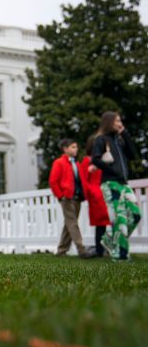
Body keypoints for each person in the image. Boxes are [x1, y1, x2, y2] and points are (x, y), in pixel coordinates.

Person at [91, 112, 141, 261]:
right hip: (110, 183)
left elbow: (133, 155)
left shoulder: (120, 141)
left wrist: (124, 133)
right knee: (120, 219)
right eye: (117, 120)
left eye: (120, 120)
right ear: (109, 122)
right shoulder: (101, 139)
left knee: (136, 214)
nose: (119, 122)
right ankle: (121, 255)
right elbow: (96, 159)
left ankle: (110, 240)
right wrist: (112, 171)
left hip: (124, 184)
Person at [49, 138, 96, 258]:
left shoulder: (76, 163)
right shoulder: (59, 162)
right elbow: (53, 181)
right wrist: (61, 196)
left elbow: (81, 180)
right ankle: (82, 250)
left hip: (77, 197)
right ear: (65, 149)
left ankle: (61, 250)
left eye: (76, 147)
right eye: (73, 147)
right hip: (67, 198)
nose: (76, 149)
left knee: (69, 224)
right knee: (73, 223)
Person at [81, 136, 110, 257]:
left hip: (105, 193)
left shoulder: (104, 160)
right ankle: (99, 250)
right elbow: (84, 179)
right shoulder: (87, 161)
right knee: (100, 223)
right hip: (96, 195)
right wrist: (91, 193)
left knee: (107, 222)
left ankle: (105, 248)